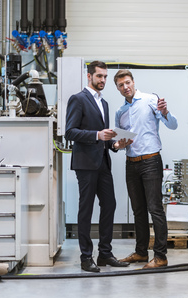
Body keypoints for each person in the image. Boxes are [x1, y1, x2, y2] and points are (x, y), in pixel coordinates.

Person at [65, 61, 131, 273]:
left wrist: (115, 144)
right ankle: (86, 257)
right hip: (85, 164)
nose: (103, 80)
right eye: (99, 76)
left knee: (109, 204)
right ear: (89, 76)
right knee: (86, 209)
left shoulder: (104, 104)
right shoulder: (78, 99)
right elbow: (70, 132)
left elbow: (105, 136)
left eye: (105, 77)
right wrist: (96, 135)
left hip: (103, 162)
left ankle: (104, 253)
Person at [114, 69, 178, 269]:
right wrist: (118, 145)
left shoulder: (151, 100)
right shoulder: (120, 113)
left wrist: (166, 112)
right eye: (121, 85)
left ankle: (161, 256)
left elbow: (173, 126)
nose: (125, 87)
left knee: (155, 209)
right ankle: (141, 253)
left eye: (127, 83)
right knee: (138, 210)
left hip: (151, 162)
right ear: (118, 89)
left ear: (133, 82)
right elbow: (118, 141)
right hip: (131, 163)